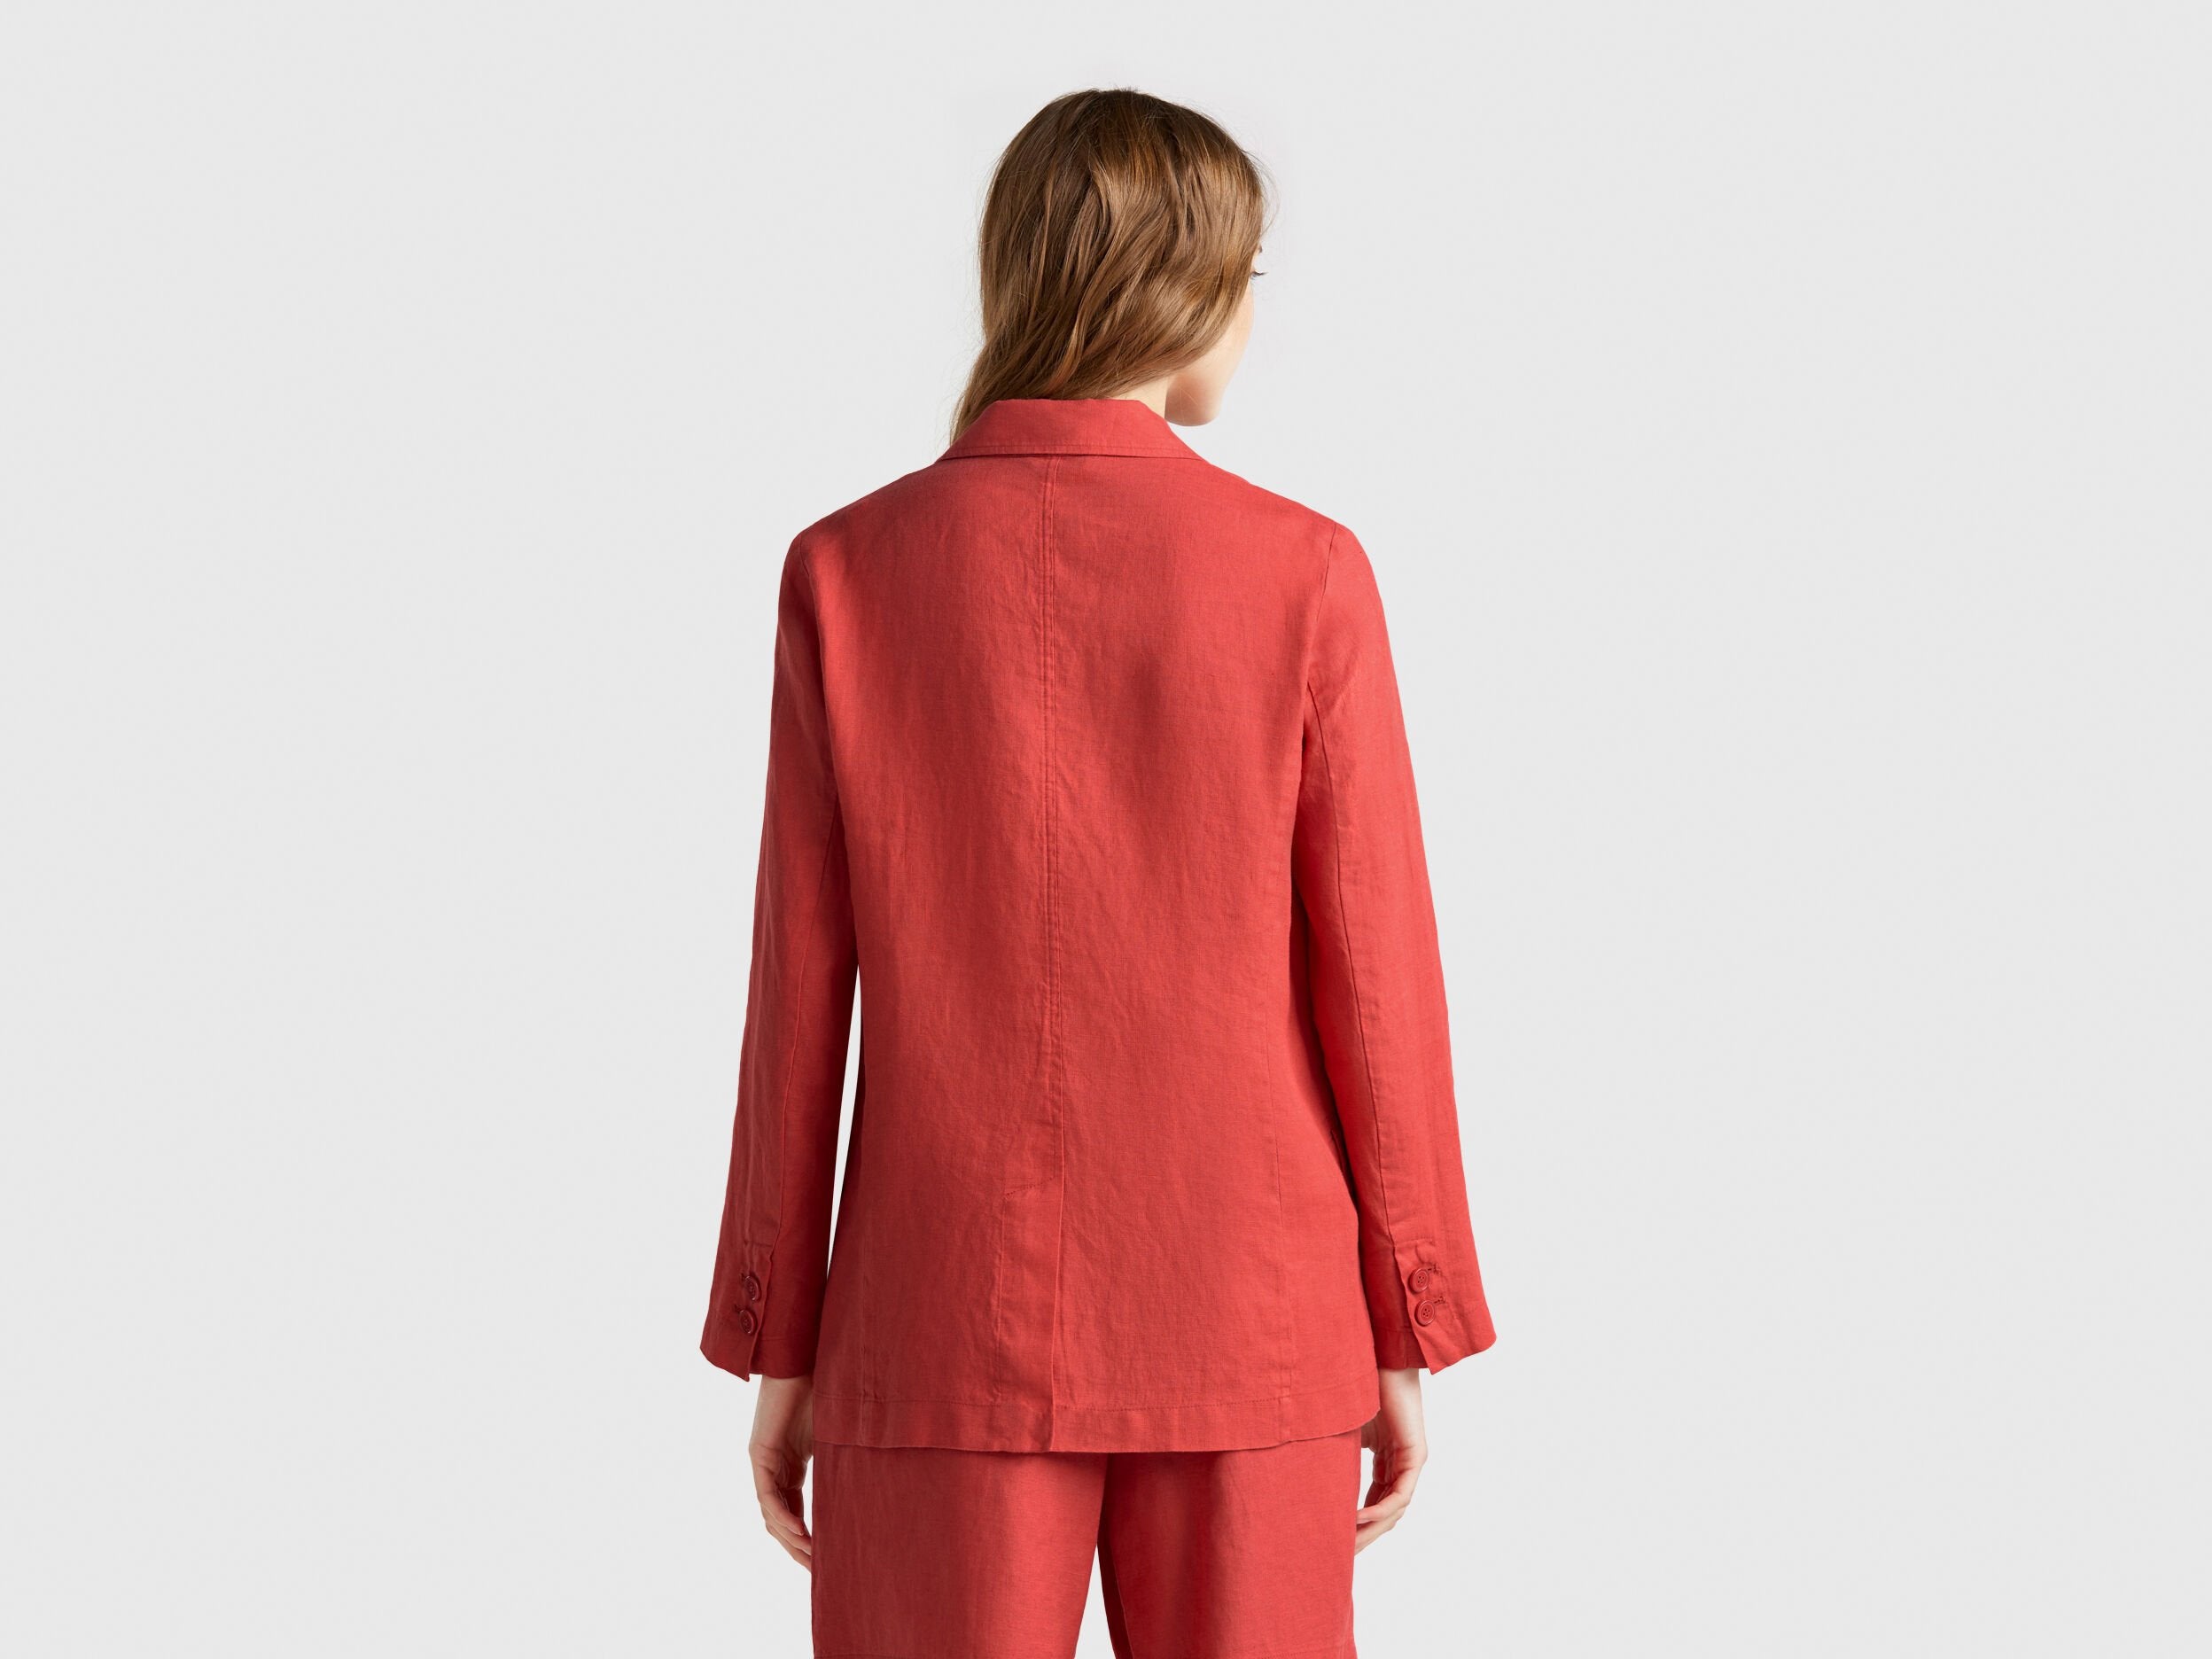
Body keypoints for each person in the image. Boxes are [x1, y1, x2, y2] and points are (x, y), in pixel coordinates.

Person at [703, 86, 1495, 1658]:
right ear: (1177, 289)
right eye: (1244, 278)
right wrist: (1404, 1316)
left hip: (936, 1316)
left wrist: (784, 1335)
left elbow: (798, 991)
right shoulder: (1305, 571)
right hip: (1253, 1311)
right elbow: (1378, 982)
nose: (1252, 317)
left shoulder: (847, 570)